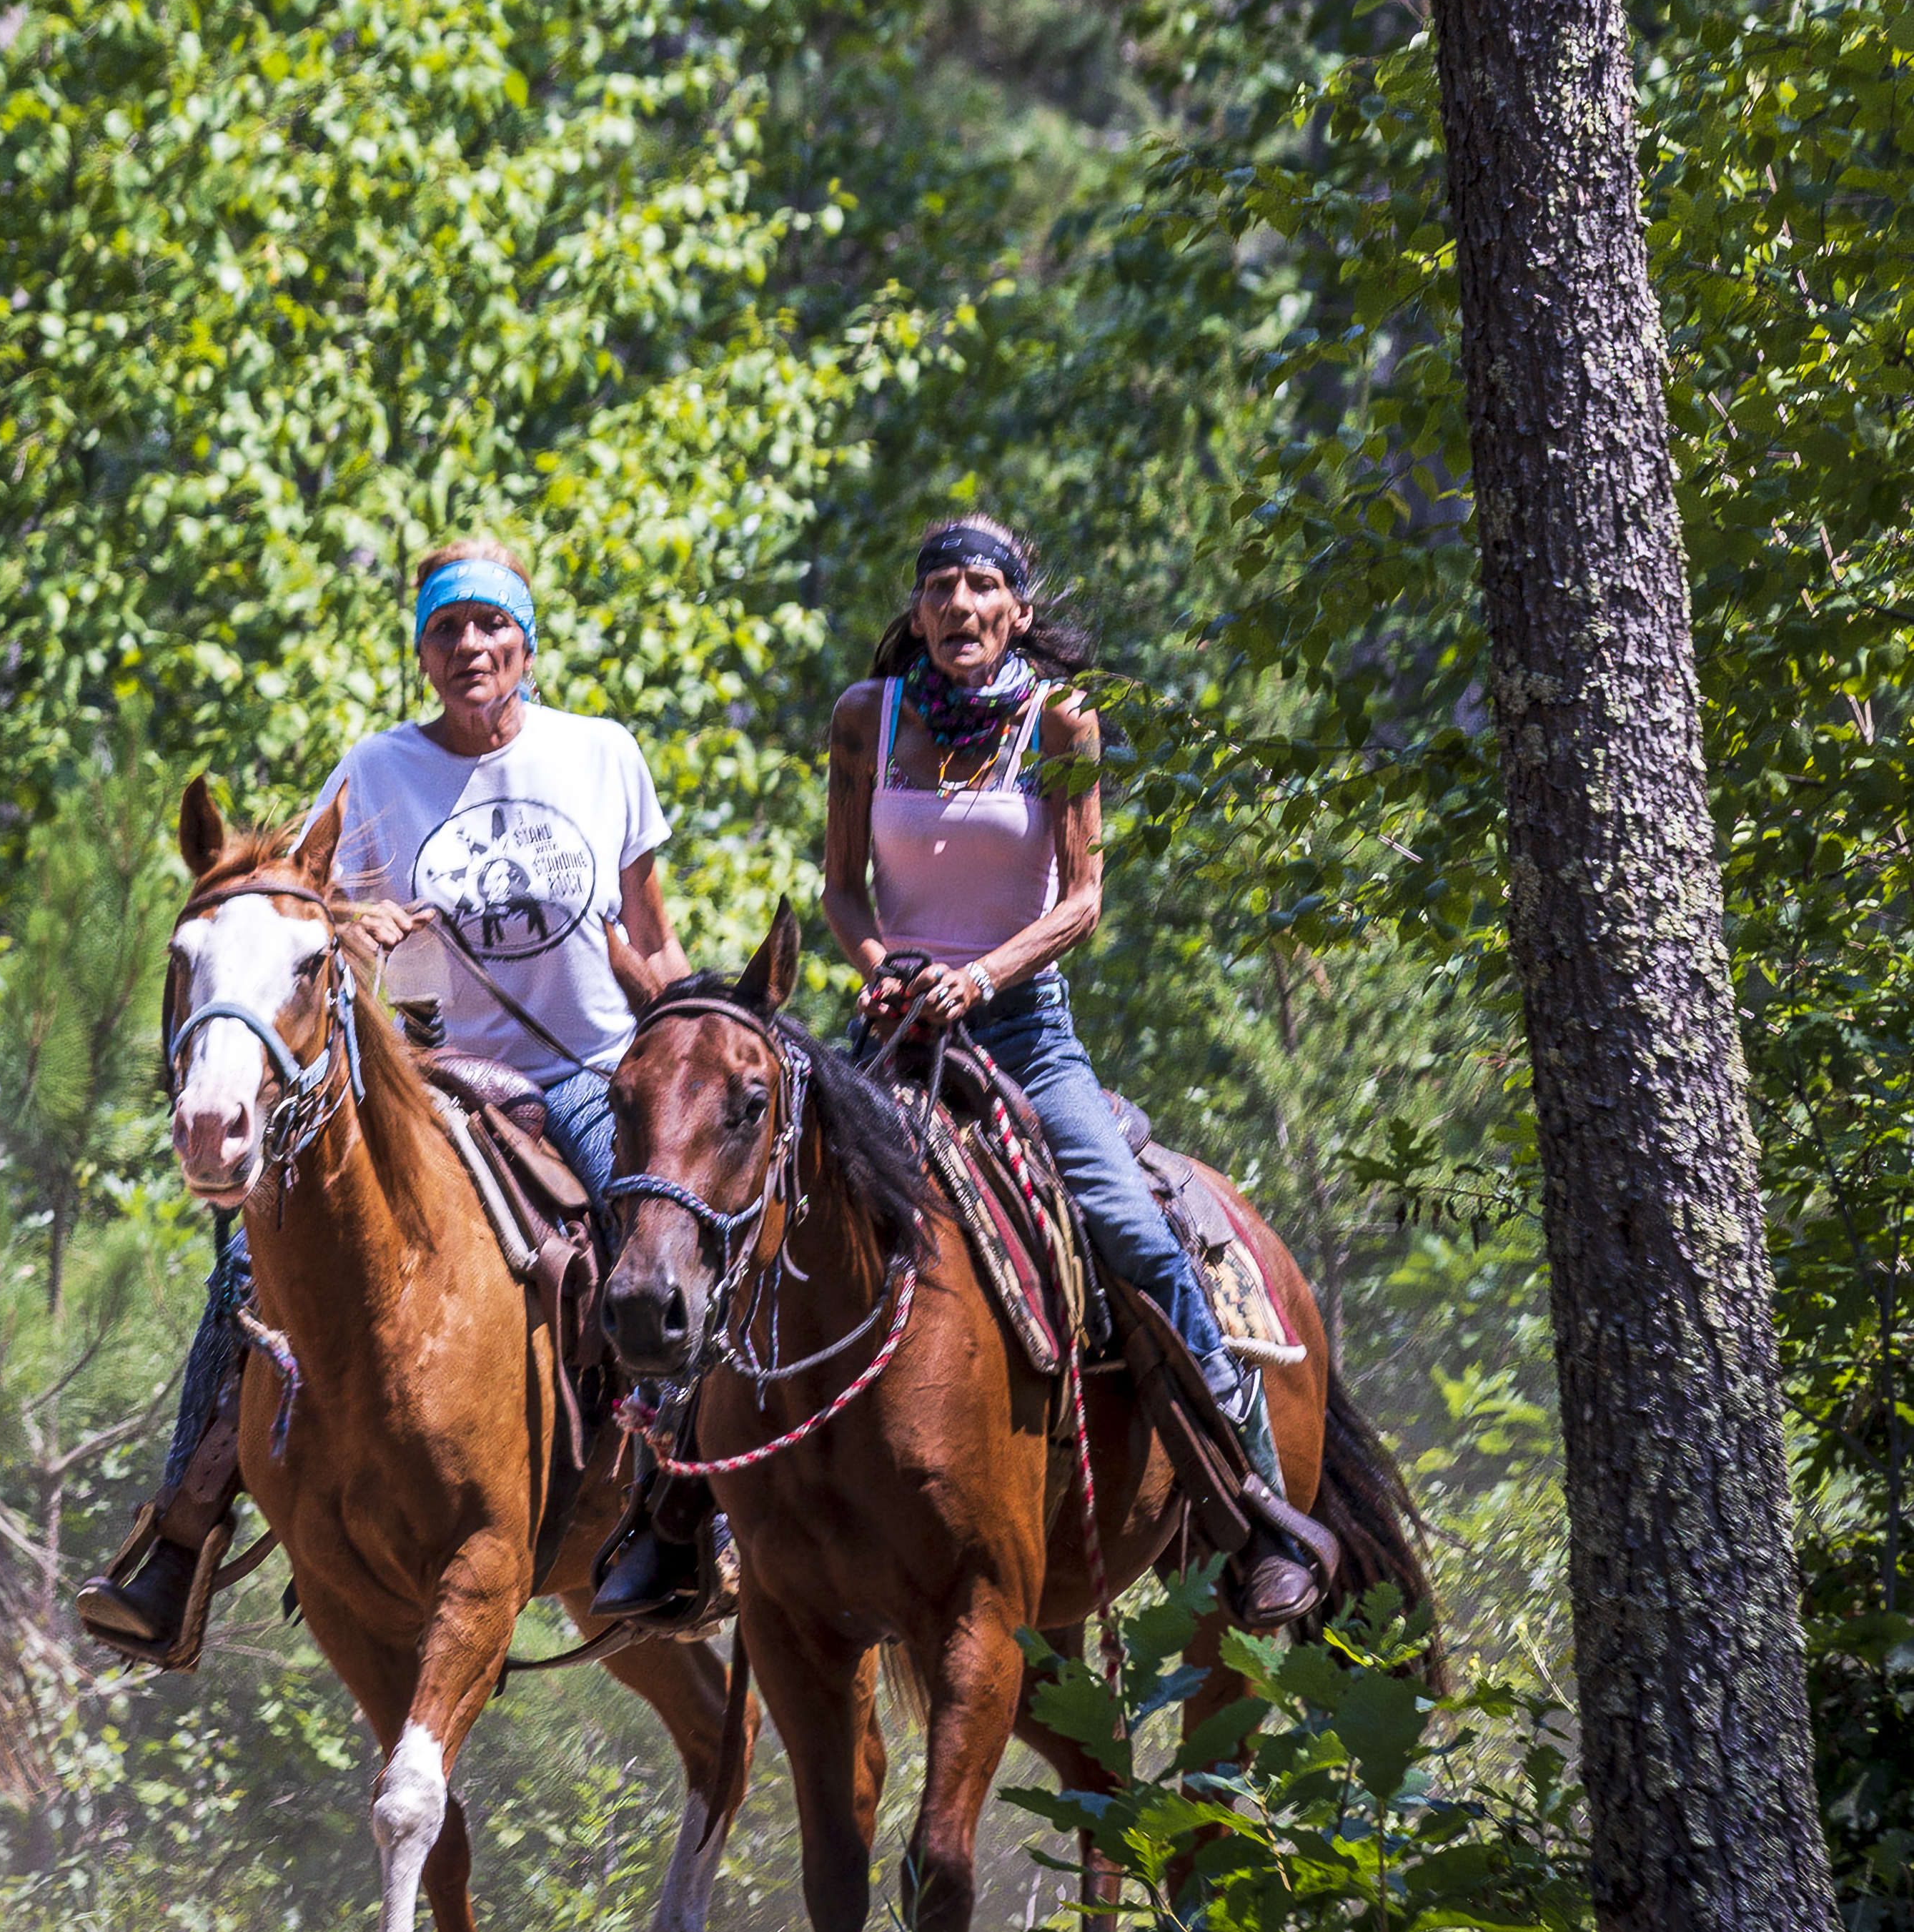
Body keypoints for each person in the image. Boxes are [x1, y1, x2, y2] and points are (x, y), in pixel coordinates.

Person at [78, 535, 703, 1669]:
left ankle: (685, 1513)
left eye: (489, 625)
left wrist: (706, 1023)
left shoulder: (602, 756)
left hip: (580, 1071)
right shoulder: (375, 770)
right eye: (444, 629)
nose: (469, 646)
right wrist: (361, 929)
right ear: (422, 650)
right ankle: (184, 1532)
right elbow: (304, 911)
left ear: (525, 638)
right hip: (433, 1081)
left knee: (652, 1240)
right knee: (246, 1263)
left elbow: (650, 941)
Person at [820, 513, 1332, 1627]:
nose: (959, 606)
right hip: (897, 1030)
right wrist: (887, 966)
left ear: (1017, 609)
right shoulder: (868, 717)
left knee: (1139, 1238)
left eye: (980, 587)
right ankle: (698, 1510)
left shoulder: (1064, 723)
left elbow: (1083, 900)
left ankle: (1254, 1505)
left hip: (1024, 1035)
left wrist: (980, 975)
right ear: (917, 613)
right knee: (770, 1203)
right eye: (939, 588)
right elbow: (842, 892)